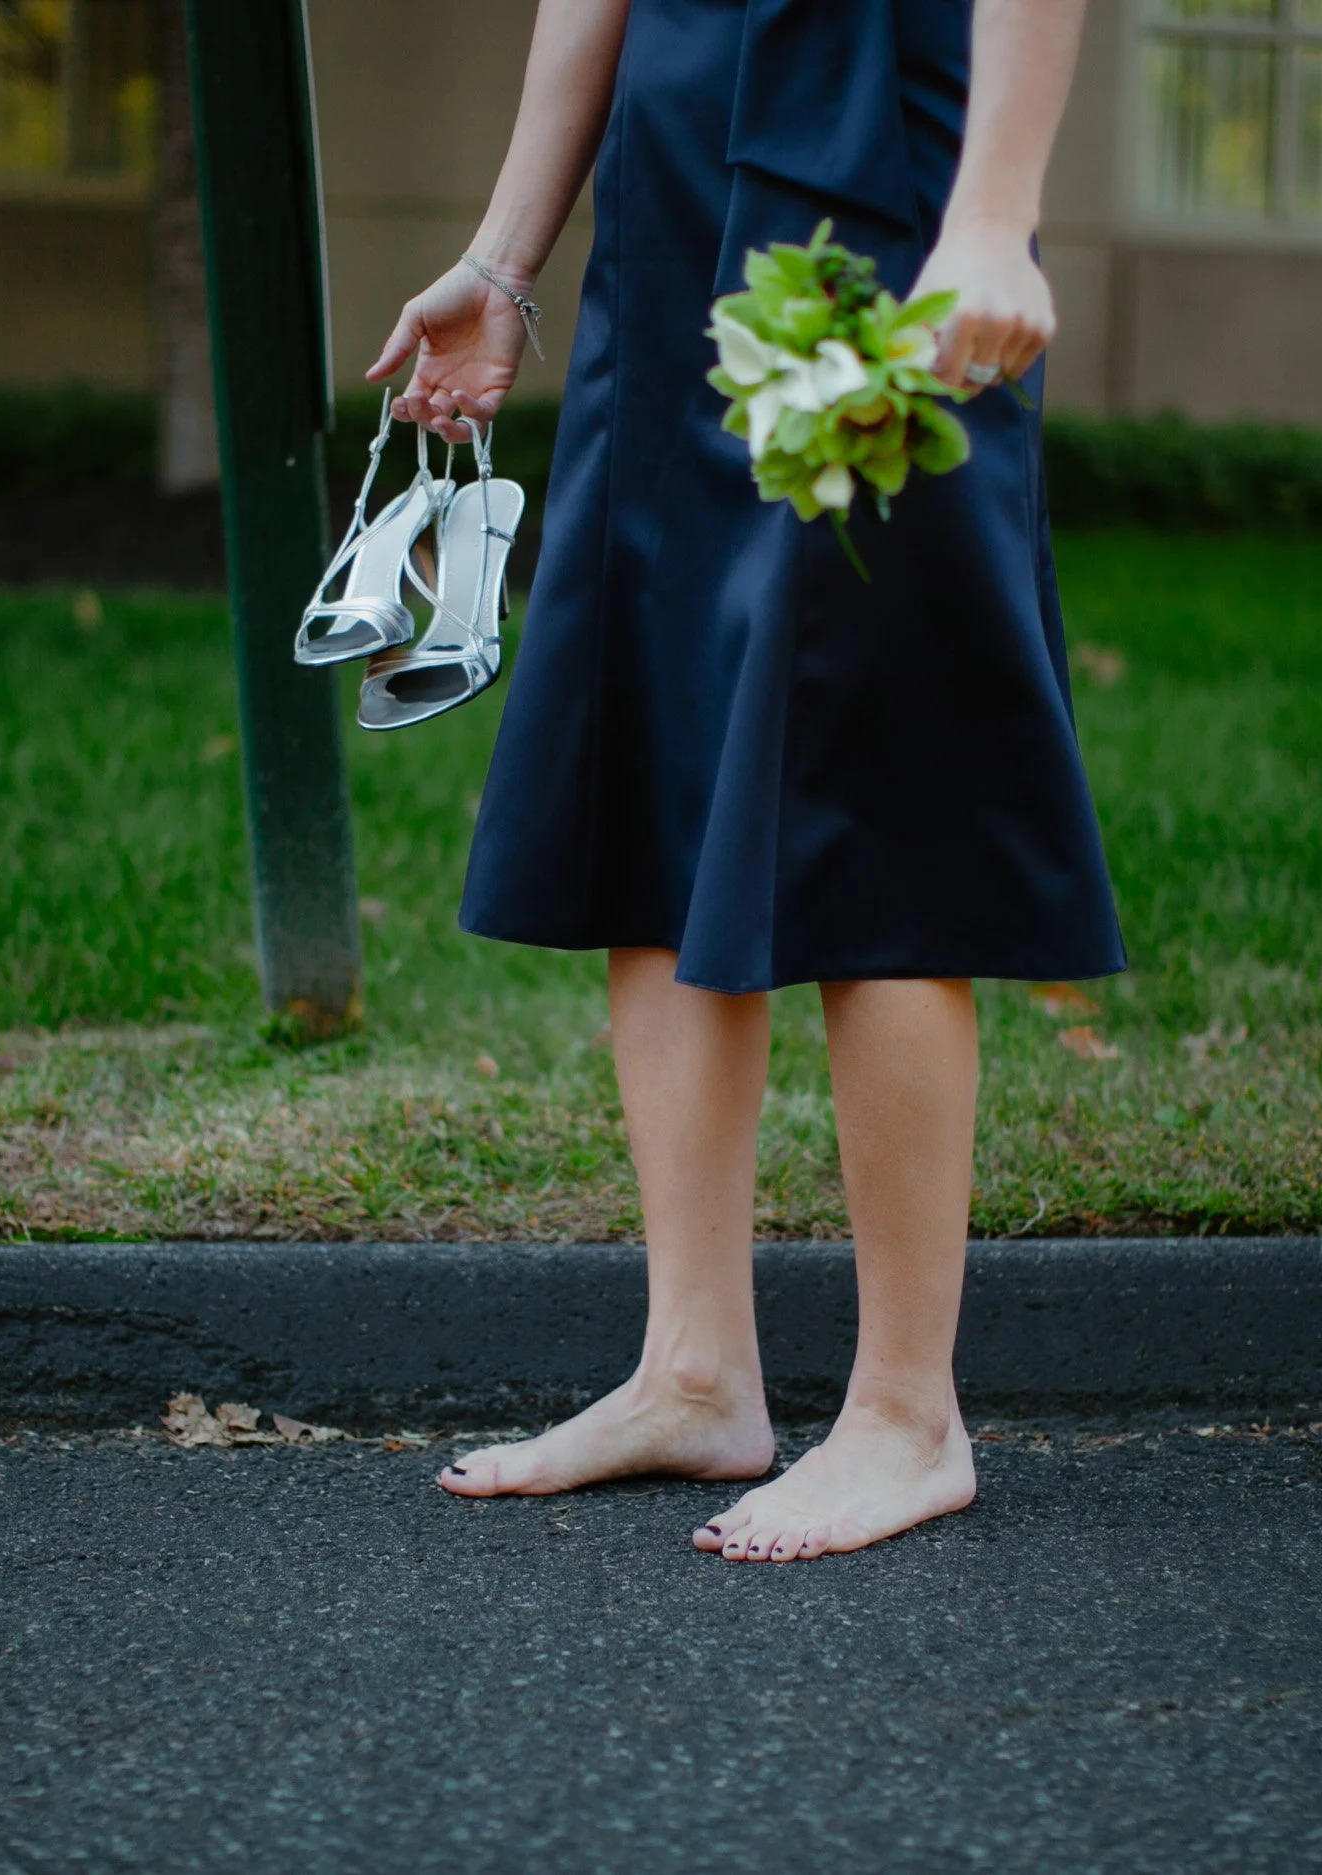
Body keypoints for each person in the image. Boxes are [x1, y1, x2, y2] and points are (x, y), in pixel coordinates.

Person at [366, 0, 1124, 1563]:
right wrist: (509, 258)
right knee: (659, 724)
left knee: (875, 733)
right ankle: (695, 1369)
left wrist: (995, 207)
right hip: (674, 165)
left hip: (889, 158)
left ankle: (910, 1417)